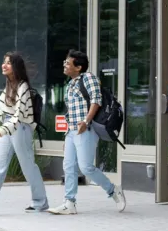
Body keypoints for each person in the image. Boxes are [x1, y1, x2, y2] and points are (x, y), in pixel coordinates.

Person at [0, 52, 49, 216]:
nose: (4, 65)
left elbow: (19, 115)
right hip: (8, 126)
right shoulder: (8, 85)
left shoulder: (23, 86)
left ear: (16, 67)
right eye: (3, 62)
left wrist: (3, 129)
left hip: (20, 127)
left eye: (8, 63)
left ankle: (40, 202)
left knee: (28, 167)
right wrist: (4, 127)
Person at [47, 50, 127, 215]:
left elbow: (96, 100)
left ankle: (113, 190)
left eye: (68, 63)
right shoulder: (70, 85)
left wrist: (86, 121)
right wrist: (67, 135)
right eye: (65, 62)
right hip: (72, 131)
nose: (64, 65)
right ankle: (69, 203)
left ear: (78, 67)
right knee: (68, 166)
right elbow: (71, 112)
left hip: (86, 129)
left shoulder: (88, 78)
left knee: (86, 167)